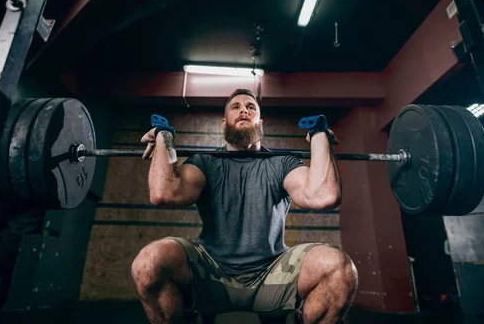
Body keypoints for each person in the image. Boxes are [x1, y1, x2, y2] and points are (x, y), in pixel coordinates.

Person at [131, 89, 357, 323]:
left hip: (272, 273)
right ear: (224, 122)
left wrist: (320, 138)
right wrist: (163, 138)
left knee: (340, 268)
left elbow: (324, 196)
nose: (243, 110)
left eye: (250, 107)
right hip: (212, 272)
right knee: (148, 263)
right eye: (235, 107)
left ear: (260, 122)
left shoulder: (281, 163)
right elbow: (164, 193)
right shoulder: (206, 163)